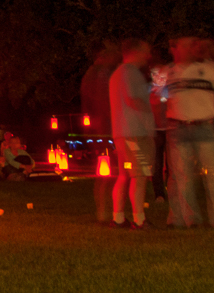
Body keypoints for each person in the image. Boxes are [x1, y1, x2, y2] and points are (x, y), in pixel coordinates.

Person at [161, 34, 214, 228]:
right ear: (176, 48)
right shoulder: (165, 72)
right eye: (189, 45)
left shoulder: (209, 69)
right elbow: (157, 99)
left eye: (196, 45)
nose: (194, 48)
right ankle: (191, 220)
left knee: (212, 176)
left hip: (206, 126)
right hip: (178, 128)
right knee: (182, 177)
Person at [108, 38, 154, 228]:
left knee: (125, 174)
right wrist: (150, 118)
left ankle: (118, 217)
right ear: (135, 51)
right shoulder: (131, 73)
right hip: (135, 132)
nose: (148, 56)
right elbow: (133, 99)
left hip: (121, 133)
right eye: (145, 51)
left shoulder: (117, 74)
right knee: (140, 175)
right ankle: (139, 219)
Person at [81, 43, 119, 221]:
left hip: (98, 129)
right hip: (104, 129)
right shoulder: (101, 74)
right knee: (108, 173)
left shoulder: (91, 74)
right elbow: (104, 101)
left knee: (104, 173)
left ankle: (104, 211)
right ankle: (105, 212)